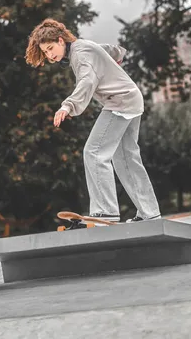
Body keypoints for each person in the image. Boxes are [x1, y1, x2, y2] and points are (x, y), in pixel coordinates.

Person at [25, 18, 161, 223]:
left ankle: (105, 211)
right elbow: (109, 50)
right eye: (45, 52)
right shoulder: (83, 46)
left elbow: (87, 80)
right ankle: (150, 213)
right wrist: (117, 55)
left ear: (61, 41)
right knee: (125, 159)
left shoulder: (80, 54)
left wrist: (68, 105)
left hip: (120, 103)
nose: (50, 55)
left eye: (51, 48)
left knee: (94, 152)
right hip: (131, 98)